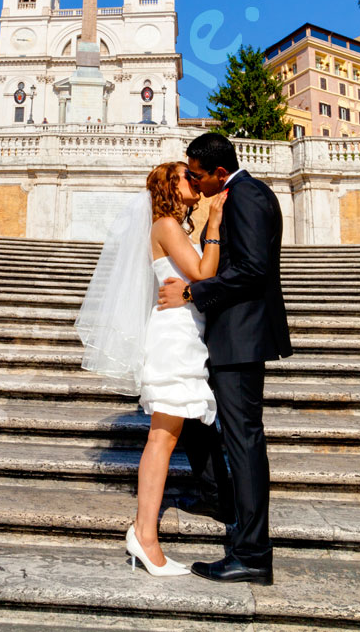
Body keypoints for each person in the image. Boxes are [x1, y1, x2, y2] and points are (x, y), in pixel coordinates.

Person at [75, 161, 226, 577]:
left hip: (184, 334)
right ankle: (145, 537)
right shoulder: (165, 226)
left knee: (166, 436)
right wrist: (214, 221)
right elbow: (202, 273)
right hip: (174, 339)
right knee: (162, 439)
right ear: (170, 187)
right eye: (186, 176)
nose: (194, 182)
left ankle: (144, 533)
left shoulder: (173, 227)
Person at [159, 133, 292, 586]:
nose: (194, 185)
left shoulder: (247, 196)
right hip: (230, 337)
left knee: (245, 443)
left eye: (196, 175)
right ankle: (224, 504)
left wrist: (194, 291)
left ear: (218, 172)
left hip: (240, 340)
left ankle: (253, 553)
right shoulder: (235, 195)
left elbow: (254, 270)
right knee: (222, 433)